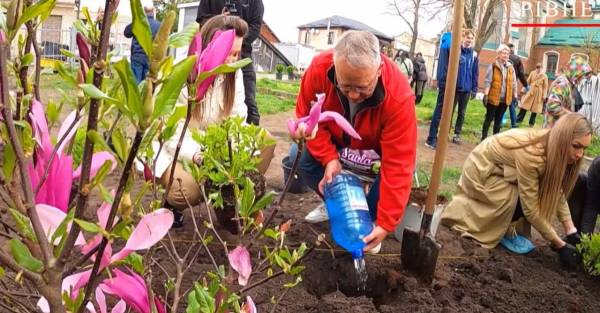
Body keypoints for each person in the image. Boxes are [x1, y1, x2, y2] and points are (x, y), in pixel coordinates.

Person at [291, 31, 417, 253]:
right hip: (336, 137)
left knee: (388, 188)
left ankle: (369, 217)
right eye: (346, 86)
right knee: (297, 155)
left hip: (377, 149)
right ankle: (337, 205)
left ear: (378, 71)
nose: (353, 95)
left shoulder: (398, 96)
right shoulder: (320, 69)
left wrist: (386, 223)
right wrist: (328, 158)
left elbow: (398, 164)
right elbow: (306, 119)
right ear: (335, 68)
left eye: (362, 88)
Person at [155, 15, 274, 228]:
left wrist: (231, 161)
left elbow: (238, 118)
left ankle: (230, 200)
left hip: (214, 148)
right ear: (212, 47)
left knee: (266, 141)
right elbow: (172, 132)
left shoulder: (233, 73)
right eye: (230, 54)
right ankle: (171, 204)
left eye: (237, 54)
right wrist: (200, 156)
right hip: (181, 151)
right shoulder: (184, 72)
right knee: (186, 192)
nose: (233, 60)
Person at [442, 113, 592, 268]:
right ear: (562, 139)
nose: (580, 154)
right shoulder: (533, 154)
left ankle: (504, 226)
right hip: (482, 171)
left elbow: (556, 190)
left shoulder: (552, 149)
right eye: (576, 146)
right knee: (517, 197)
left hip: (503, 171)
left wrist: (571, 230)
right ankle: (495, 227)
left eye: (584, 148)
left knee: (537, 189)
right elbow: (531, 210)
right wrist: (560, 245)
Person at [197, 0, 264, 126]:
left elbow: (256, 26)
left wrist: (236, 39)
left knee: (250, 103)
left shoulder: (255, 2)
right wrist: (221, 22)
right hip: (211, 52)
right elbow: (201, 19)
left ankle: (246, 135)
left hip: (242, 52)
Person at [425, 28, 478, 148]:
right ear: (462, 37)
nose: (469, 40)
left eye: (471, 38)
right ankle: (432, 138)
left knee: (458, 112)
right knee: (442, 112)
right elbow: (445, 66)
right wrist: (443, 82)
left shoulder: (472, 54)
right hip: (449, 85)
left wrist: (473, 88)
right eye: (467, 37)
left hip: (464, 88)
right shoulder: (452, 46)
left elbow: (474, 72)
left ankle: (443, 136)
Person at [481, 44, 517, 141]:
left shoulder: (511, 68)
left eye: (507, 53)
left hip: (505, 100)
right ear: (499, 54)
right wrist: (485, 95)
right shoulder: (493, 66)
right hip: (493, 98)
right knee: (489, 119)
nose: (506, 55)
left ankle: (494, 141)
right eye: (504, 53)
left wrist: (515, 96)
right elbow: (488, 81)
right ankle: (483, 139)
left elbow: (514, 83)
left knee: (498, 121)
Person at [545, 55, 592, 127]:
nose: (583, 77)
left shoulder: (569, 84)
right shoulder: (563, 84)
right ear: (576, 72)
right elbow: (552, 106)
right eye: (582, 74)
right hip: (553, 130)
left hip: (559, 128)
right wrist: (572, 116)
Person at [124, 6, 161, 83]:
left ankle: (136, 94)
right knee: (147, 83)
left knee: (135, 84)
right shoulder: (158, 25)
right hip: (150, 58)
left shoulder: (138, 22)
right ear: (153, 12)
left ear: (143, 11)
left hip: (137, 57)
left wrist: (134, 21)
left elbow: (126, 33)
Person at [568, 157, 600, 234]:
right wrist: (585, 237)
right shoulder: (597, 166)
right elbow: (591, 206)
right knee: (579, 180)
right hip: (597, 199)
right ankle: (577, 234)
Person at [504, 43, 529, 128]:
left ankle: (499, 120)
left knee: (501, 103)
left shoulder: (501, 57)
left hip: (502, 84)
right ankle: (514, 123)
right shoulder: (517, 58)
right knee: (511, 105)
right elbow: (521, 74)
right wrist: (526, 85)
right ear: (512, 49)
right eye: (513, 49)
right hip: (511, 84)